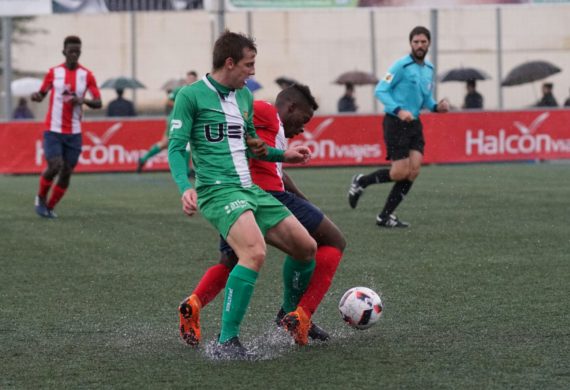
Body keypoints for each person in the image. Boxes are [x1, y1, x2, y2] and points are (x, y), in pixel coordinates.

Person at [168, 31, 316, 359]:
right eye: (249, 65)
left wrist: (285, 156)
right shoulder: (190, 96)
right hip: (217, 191)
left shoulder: (244, 97)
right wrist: (184, 187)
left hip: (250, 189)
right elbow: (176, 149)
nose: (252, 72)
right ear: (230, 62)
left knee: (306, 248)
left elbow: (255, 147)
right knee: (254, 252)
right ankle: (227, 342)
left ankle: (287, 321)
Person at [177, 84, 346, 348]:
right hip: (263, 196)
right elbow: (227, 117)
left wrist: (304, 200)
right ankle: (297, 314)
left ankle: (194, 302)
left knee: (232, 261)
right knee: (333, 241)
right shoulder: (266, 111)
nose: (302, 129)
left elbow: (273, 164)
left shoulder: (273, 132)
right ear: (290, 107)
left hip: (238, 199)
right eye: (303, 119)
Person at [347, 26, 449, 228]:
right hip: (395, 123)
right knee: (399, 173)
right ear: (410, 43)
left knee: (414, 171)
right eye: (416, 42)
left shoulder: (429, 69)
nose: (420, 45)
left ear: (429, 43)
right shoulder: (400, 66)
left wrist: (437, 107)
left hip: (415, 124)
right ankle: (361, 181)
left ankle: (385, 216)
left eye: (423, 42)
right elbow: (381, 90)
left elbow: (426, 98)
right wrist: (399, 109)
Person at [31, 35, 102, 218]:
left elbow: (98, 102)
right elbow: (41, 93)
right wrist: (36, 96)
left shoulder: (87, 76)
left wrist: (82, 100)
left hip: (74, 132)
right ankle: (40, 198)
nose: (74, 55)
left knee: (66, 172)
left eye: (77, 52)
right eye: (71, 51)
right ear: (64, 52)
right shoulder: (54, 73)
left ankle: (50, 207)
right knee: (55, 165)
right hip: (53, 130)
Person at [136, 70, 198, 173]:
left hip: (181, 118)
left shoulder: (196, 90)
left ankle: (143, 159)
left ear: (196, 79)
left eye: (192, 78)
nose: (190, 80)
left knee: (165, 143)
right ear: (186, 79)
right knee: (186, 141)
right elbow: (168, 101)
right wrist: (180, 106)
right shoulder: (180, 90)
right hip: (176, 118)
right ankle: (187, 170)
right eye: (189, 78)